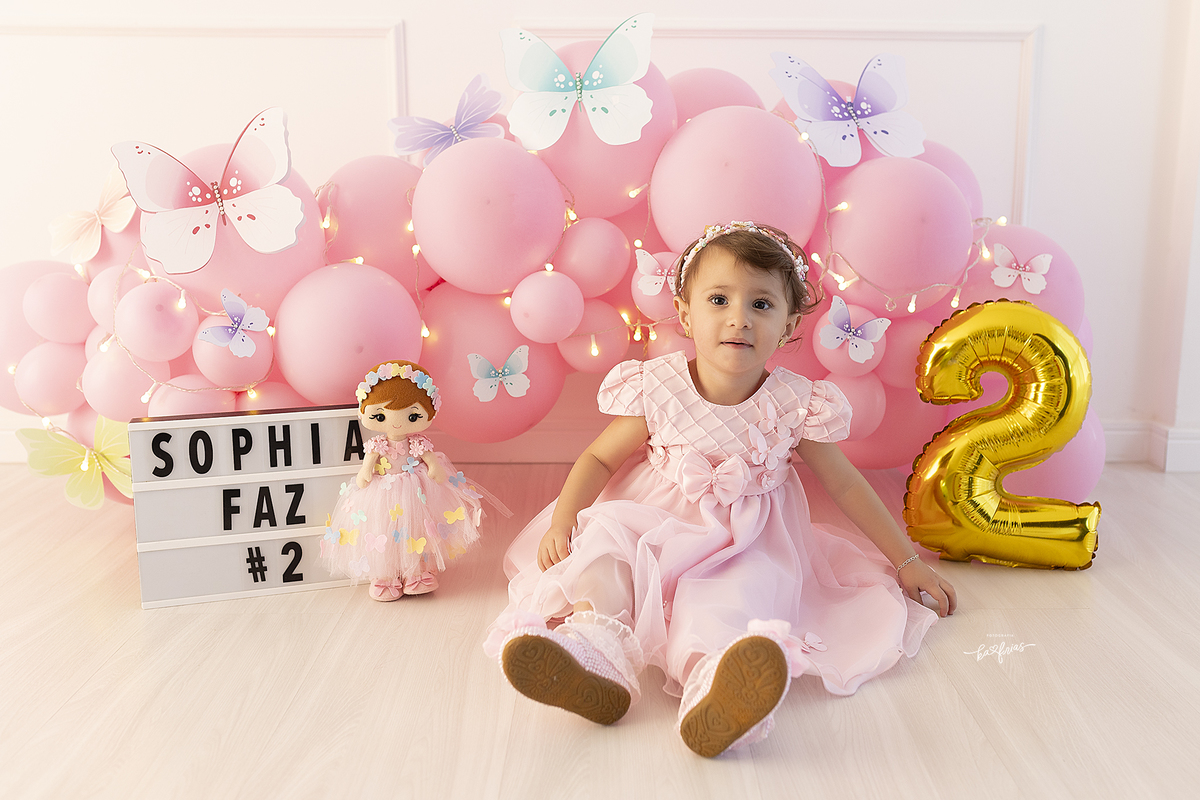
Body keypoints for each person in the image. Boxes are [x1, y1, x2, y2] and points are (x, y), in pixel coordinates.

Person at [482, 221, 957, 757]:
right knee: (607, 544)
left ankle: (715, 684)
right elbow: (598, 458)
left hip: (744, 539)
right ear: (685, 313)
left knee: (733, 592)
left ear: (789, 324)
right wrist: (564, 519)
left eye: (761, 304)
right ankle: (597, 649)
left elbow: (846, 486)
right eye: (718, 299)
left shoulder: (796, 402)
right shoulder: (659, 386)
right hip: (653, 518)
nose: (739, 318)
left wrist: (905, 560)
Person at [323, 360, 506, 599]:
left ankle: (416, 571)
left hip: (415, 490)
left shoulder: (417, 443)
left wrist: (435, 468)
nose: (397, 422)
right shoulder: (377, 445)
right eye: (380, 415)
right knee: (383, 530)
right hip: (383, 493)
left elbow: (429, 459)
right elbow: (368, 465)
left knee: (416, 529)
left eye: (413, 415)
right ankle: (386, 574)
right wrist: (365, 471)